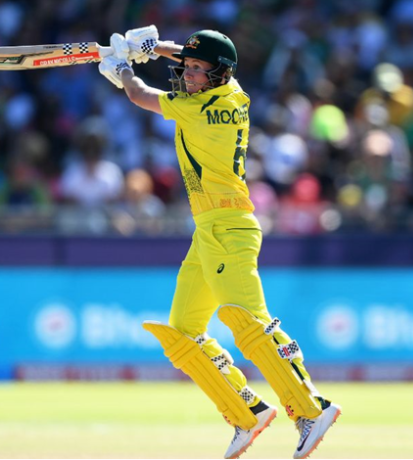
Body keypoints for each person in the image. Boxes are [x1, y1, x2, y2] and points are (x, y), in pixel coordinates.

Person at [97, 26, 341, 459]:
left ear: (218, 73)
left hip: (228, 228)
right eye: (186, 66)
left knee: (251, 324)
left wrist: (122, 70)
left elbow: (139, 95)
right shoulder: (234, 93)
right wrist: (152, 48)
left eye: (197, 69)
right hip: (210, 230)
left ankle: (311, 408)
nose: (188, 74)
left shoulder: (198, 108)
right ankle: (247, 412)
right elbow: (199, 56)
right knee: (183, 332)